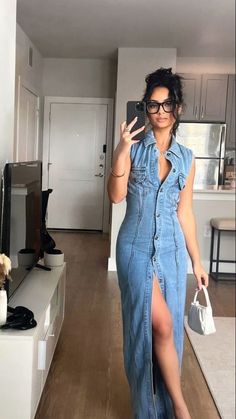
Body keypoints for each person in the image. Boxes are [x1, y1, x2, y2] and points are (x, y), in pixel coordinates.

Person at [107, 68, 209, 419]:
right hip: (135, 248)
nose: (161, 111)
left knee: (167, 333)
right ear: (145, 108)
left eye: (168, 104)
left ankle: (167, 408)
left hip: (172, 252)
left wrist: (197, 260)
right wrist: (122, 147)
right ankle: (176, 409)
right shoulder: (132, 149)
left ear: (177, 109)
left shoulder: (187, 158)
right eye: (154, 104)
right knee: (154, 326)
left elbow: (186, 213)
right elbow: (116, 197)